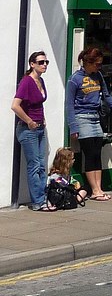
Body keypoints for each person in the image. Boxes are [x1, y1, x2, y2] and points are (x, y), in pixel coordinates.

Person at [66, 47, 112, 201]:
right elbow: (69, 105)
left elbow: (106, 96)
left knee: (97, 154)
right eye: (97, 64)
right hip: (82, 118)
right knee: (90, 154)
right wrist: (73, 126)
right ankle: (94, 190)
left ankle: (98, 189)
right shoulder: (75, 79)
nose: (99, 67)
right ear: (88, 62)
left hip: (95, 117)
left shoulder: (98, 76)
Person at [11, 50, 50, 211]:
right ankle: (37, 202)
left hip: (40, 128)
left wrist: (43, 119)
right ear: (32, 64)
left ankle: (41, 198)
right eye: (41, 62)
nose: (44, 65)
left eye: (46, 62)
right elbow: (15, 105)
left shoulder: (40, 81)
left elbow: (38, 104)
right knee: (34, 165)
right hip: (28, 130)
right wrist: (29, 121)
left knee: (41, 165)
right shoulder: (27, 81)